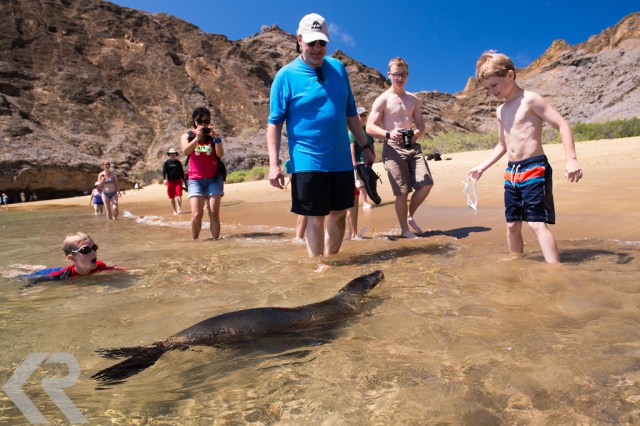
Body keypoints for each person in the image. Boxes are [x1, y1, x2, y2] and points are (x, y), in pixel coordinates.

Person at [267, 13, 374, 258]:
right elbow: (274, 123)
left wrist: (364, 146)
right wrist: (274, 165)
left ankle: (331, 262)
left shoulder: (338, 68)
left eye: (322, 43)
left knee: (338, 215)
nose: (317, 48)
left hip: (340, 160)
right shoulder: (285, 76)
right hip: (307, 159)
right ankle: (319, 268)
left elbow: (350, 113)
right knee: (315, 218)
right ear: (299, 39)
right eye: (312, 42)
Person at [467, 51, 583, 263]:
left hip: (534, 168)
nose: (491, 92)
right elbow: (502, 145)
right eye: (487, 88)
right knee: (512, 225)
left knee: (536, 224)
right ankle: (517, 265)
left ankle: (555, 270)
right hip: (512, 172)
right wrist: (482, 167)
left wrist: (571, 159)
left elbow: (562, 124)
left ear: (510, 75)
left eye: (494, 85)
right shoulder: (500, 111)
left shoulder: (530, 100)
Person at [366, 57, 433, 238]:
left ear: (407, 75)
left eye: (403, 74)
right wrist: (389, 134)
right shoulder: (382, 100)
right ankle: (405, 230)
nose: (400, 78)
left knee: (426, 184)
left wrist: (415, 135)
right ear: (389, 75)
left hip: (412, 145)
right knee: (402, 191)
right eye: (396, 74)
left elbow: (420, 125)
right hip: (393, 147)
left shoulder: (413, 99)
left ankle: (410, 216)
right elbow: (369, 126)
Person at [181, 106, 225, 240]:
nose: (203, 124)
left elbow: (220, 154)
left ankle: (216, 242)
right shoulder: (187, 136)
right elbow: (185, 151)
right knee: (196, 214)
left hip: (214, 179)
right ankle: (195, 242)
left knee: (213, 213)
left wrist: (216, 139)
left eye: (206, 121)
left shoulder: (213, 137)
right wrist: (197, 138)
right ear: (194, 121)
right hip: (195, 180)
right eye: (199, 121)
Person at [19, 232, 124, 284]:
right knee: (24, 275)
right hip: (51, 272)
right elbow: (36, 281)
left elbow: (116, 269)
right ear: (71, 257)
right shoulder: (62, 276)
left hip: (62, 268)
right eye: (85, 250)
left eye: (94, 247)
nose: (93, 252)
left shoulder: (100, 265)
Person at [350, 107, 377, 209]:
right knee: (360, 182)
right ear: (356, 117)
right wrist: (353, 161)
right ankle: (365, 202)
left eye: (365, 115)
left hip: (368, 161)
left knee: (369, 180)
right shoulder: (353, 130)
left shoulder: (367, 130)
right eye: (361, 115)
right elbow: (351, 146)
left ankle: (370, 199)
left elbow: (371, 144)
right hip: (358, 161)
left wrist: (373, 155)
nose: (364, 117)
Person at [163, 148, 185, 215]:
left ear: (176, 154)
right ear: (169, 155)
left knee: (179, 196)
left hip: (178, 181)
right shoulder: (166, 162)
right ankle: (174, 210)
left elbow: (181, 172)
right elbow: (164, 172)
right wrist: (164, 179)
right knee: (172, 197)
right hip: (170, 182)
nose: (172, 155)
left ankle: (179, 209)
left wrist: (184, 181)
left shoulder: (178, 162)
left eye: (173, 154)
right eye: (171, 154)